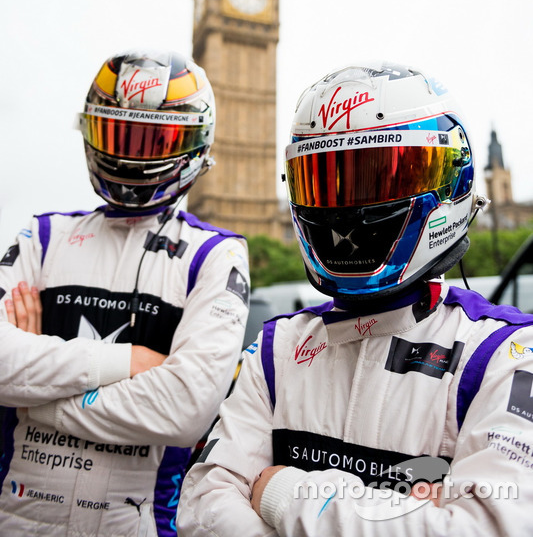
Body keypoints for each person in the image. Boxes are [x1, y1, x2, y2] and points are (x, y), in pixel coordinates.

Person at [178, 61, 533, 536]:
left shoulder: (506, 359)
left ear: (453, 183)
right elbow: (202, 509)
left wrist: (283, 495)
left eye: (381, 180)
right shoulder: (275, 348)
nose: (349, 210)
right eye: (327, 181)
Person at [0, 50, 250, 537]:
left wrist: (28, 396)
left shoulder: (214, 254)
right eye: (120, 135)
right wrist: (131, 361)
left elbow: (185, 409)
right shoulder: (42, 235)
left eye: (155, 140)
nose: (132, 156)